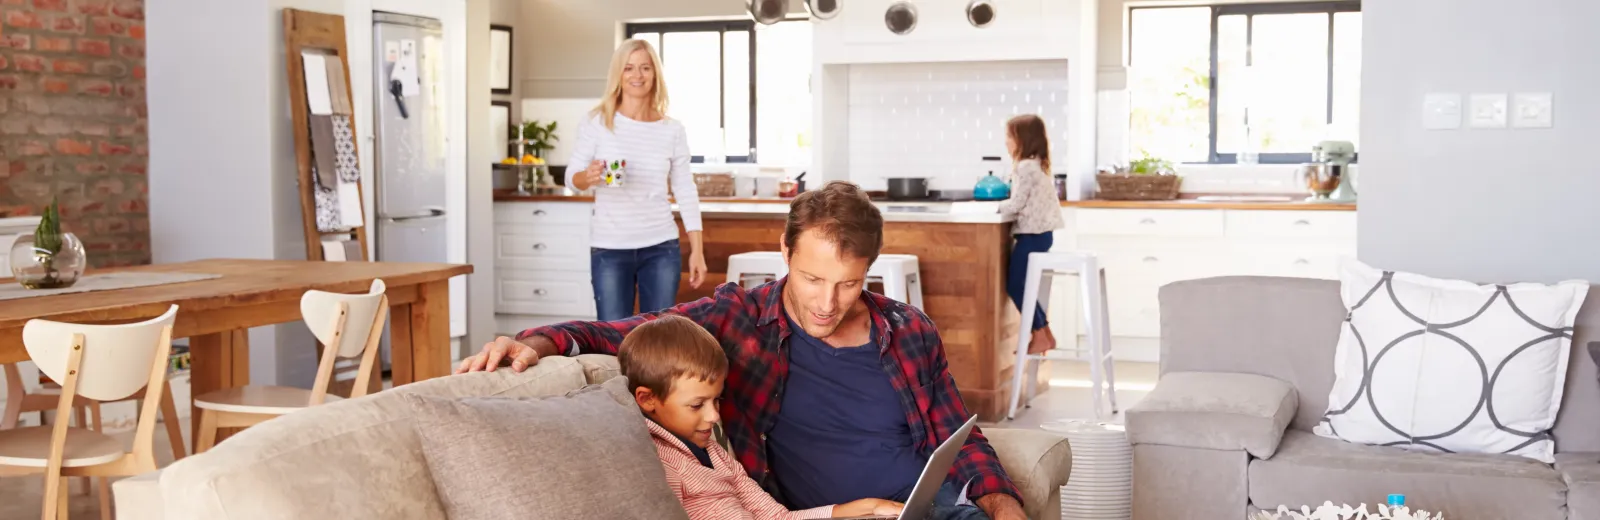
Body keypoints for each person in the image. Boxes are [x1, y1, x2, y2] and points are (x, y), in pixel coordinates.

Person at [458, 182, 1028, 520]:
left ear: (869, 271)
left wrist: (1003, 505)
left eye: (848, 284)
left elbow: (960, 435)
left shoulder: (909, 330)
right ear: (784, 251)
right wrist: (536, 340)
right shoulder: (740, 317)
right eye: (811, 279)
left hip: (938, 507)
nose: (828, 303)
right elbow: (631, 332)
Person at [619, 314, 906, 519]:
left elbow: (778, 517)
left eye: (716, 400)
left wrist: (866, 508)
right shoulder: (658, 464)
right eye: (696, 405)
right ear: (648, 399)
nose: (713, 416)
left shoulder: (714, 452)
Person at [566, 39, 708, 320]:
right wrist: (588, 176)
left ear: (655, 73)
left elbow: (684, 190)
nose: (637, 75)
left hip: (661, 247)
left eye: (645, 67)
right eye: (629, 68)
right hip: (609, 248)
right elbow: (572, 178)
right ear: (618, 74)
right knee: (610, 339)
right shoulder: (596, 122)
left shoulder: (672, 130)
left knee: (656, 341)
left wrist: (697, 251)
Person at [998, 114, 1066, 355]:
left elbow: (1017, 203)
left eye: (1009, 136)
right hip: (1041, 235)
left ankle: (1039, 333)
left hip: (1032, 236)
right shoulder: (1036, 164)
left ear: (1022, 139)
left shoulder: (1025, 167)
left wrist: (994, 207)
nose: (1006, 142)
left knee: (1016, 285)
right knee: (1020, 285)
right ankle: (1044, 333)